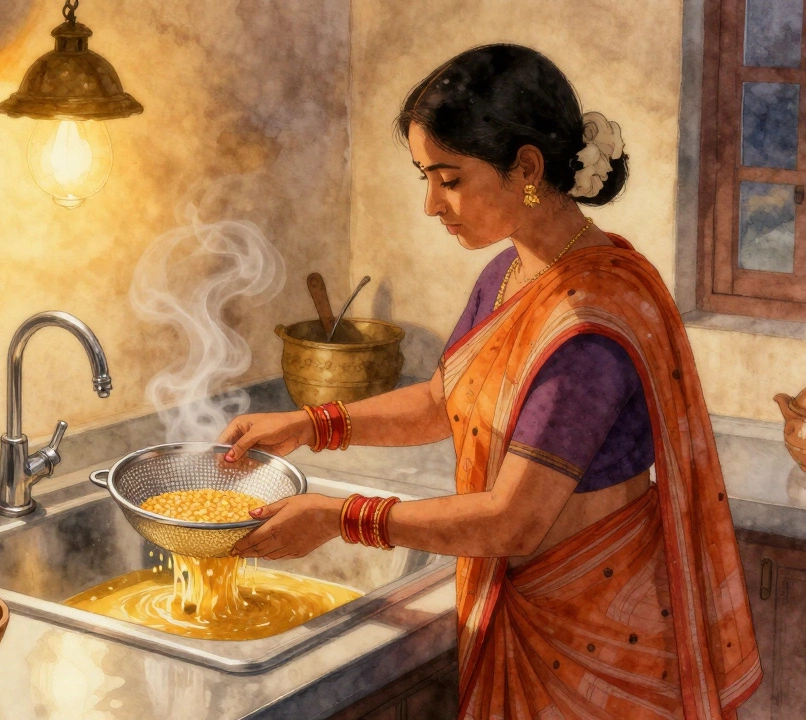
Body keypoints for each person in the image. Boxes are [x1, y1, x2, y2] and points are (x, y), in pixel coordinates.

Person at [218, 45, 760, 719]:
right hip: (533, 608)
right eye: (425, 177)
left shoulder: (585, 324)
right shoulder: (510, 274)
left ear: (526, 168)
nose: (429, 205)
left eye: (448, 179)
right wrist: (311, 424)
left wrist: (339, 517)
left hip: (597, 636)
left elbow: (514, 520)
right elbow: (443, 400)